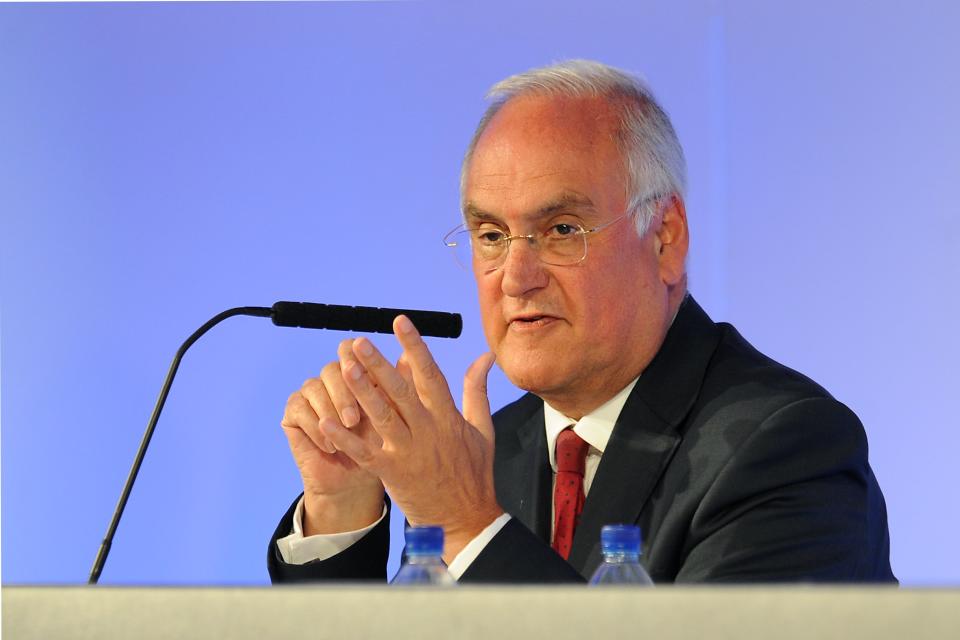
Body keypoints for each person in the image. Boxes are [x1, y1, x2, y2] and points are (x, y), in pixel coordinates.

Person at [267, 60, 895, 583]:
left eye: (561, 230)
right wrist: (341, 514)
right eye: (490, 235)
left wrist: (467, 523)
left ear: (665, 239)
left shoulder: (786, 448)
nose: (515, 277)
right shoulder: (493, 451)